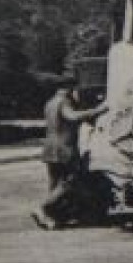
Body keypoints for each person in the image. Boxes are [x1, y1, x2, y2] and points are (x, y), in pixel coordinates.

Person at [31, 75, 107, 230]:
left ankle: (52, 217)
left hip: (49, 147)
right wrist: (98, 110)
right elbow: (72, 116)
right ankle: (42, 208)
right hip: (64, 148)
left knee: (55, 183)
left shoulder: (50, 102)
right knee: (69, 182)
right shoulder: (63, 102)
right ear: (70, 89)